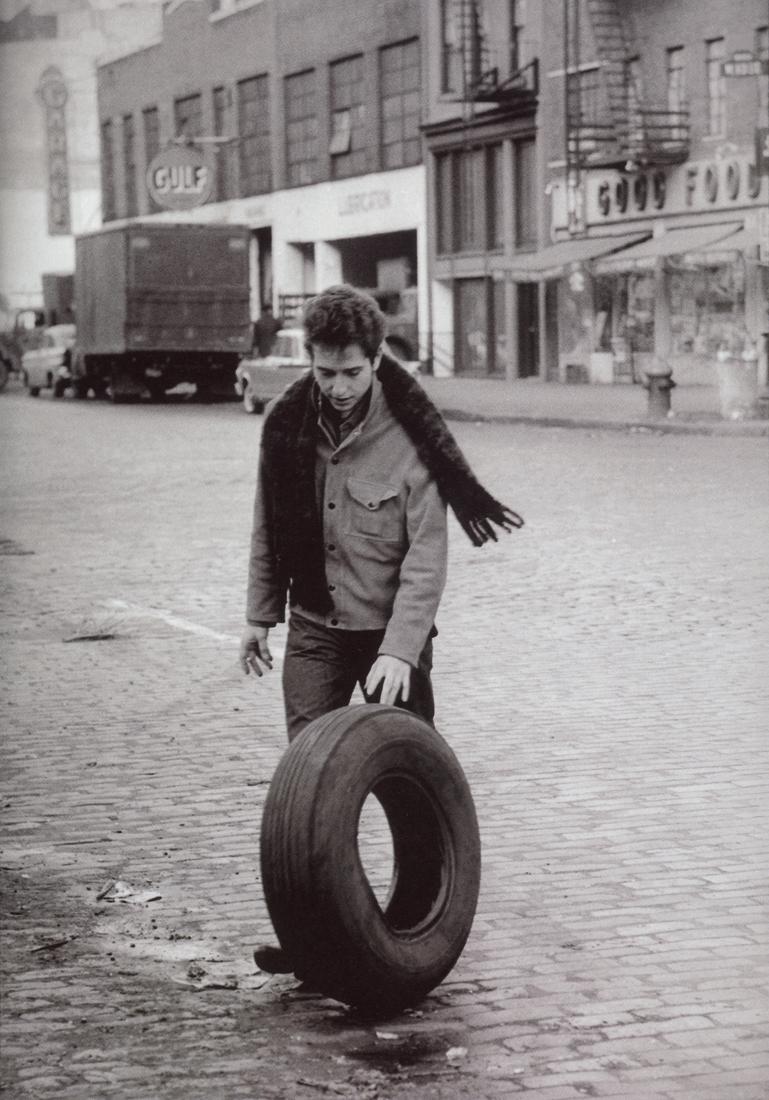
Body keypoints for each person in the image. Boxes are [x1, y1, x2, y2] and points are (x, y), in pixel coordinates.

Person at [239, 284, 523, 975]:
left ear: (376, 359)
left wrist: (400, 652)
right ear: (309, 359)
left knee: (407, 782)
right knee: (308, 793)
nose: (337, 388)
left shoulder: (411, 430)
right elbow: (267, 524)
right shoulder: (284, 423)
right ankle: (312, 942)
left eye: (352, 373)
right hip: (314, 626)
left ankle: (409, 928)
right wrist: (257, 616)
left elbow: (426, 559)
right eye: (324, 371)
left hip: (388, 631)